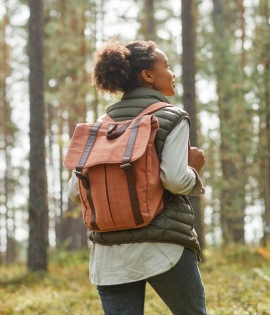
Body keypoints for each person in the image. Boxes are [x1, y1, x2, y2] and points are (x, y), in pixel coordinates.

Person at [68, 39, 207, 315]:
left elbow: (75, 191)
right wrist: (194, 168)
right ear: (147, 76)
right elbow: (175, 180)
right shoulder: (171, 117)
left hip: (110, 255)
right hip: (162, 247)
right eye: (166, 66)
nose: (172, 73)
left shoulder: (100, 126)